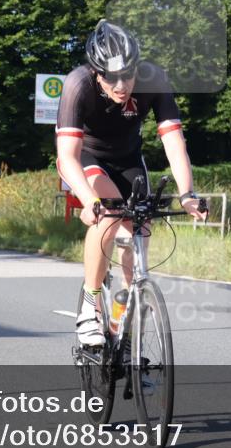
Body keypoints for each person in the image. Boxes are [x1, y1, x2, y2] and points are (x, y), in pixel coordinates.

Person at [56, 20, 206, 346]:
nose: (122, 85)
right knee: (108, 216)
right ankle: (90, 304)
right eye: (111, 77)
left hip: (128, 159)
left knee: (140, 229)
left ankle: (124, 319)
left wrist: (187, 193)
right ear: (96, 72)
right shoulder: (78, 84)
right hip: (87, 159)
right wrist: (89, 201)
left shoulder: (154, 79)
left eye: (128, 74)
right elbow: (67, 156)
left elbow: (173, 141)